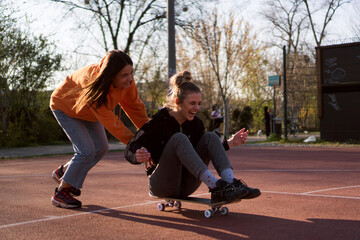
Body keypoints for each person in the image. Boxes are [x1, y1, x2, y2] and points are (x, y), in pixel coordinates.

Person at [125, 71, 260, 203]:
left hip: (186, 184)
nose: (196, 108)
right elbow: (131, 147)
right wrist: (137, 155)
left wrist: (230, 143)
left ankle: (231, 184)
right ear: (178, 102)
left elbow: (200, 151)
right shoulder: (159, 122)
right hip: (162, 185)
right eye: (192, 103)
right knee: (179, 138)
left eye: (199, 103)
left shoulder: (196, 124)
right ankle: (216, 186)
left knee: (211, 137)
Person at [50, 50, 149, 208]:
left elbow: (135, 107)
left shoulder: (127, 83)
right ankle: (61, 193)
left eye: (131, 73)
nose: (129, 78)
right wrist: (134, 142)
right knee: (86, 150)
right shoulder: (93, 82)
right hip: (65, 107)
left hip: (88, 113)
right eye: (125, 75)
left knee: (102, 147)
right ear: (111, 75)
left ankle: (63, 172)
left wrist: (149, 132)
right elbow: (112, 123)